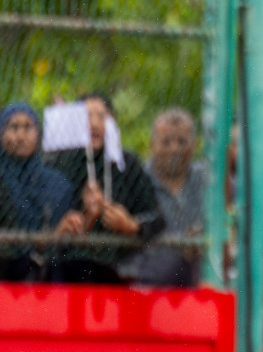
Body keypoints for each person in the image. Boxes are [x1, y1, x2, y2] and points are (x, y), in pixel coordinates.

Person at [47, 93, 165, 285]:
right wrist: (86, 218)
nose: (94, 124)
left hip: (120, 267)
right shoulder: (60, 163)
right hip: (70, 271)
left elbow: (156, 218)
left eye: (102, 116)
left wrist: (130, 225)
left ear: (113, 123)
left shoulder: (126, 163)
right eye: (86, 117)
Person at [122, 108, 208, 288]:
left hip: (197, 287)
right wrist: (180, 249)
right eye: (166, 142)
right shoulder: (136, 182)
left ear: (194, 145)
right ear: (152, 145)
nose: (174, 148)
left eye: (182, 142)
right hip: (148, 287)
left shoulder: (206, 180)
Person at [0, 102, 74, 281]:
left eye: (28, 127)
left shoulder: (58, 183)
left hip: (49, 277)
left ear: (39, 133)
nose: (21, 135)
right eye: (13, 127)